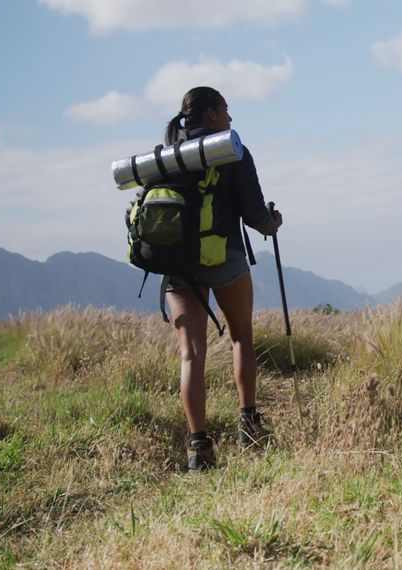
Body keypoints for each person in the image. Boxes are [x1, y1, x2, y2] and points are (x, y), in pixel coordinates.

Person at [161, 86, 283, 471]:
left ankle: (198, 447)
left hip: (177, 263)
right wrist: (273, 222)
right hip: (224, 255)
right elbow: (253, 214)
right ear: (211, 114)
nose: (231, 119)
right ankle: (249, 425)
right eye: (226, 110)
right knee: (241, 337)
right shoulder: (232, 150)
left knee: (191, 353)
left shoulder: (165, 156)